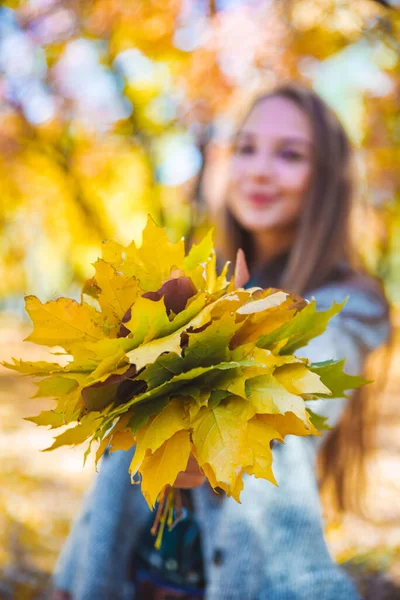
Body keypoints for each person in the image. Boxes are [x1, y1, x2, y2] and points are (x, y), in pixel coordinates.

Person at [51, 83, 390, 600]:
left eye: (290, 155)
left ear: (328, 180)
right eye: (247, 147)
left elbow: (299, 380)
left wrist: (209, 431)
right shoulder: (198, 282)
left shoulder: (351, 304)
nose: (258, 169)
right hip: (129, 576)